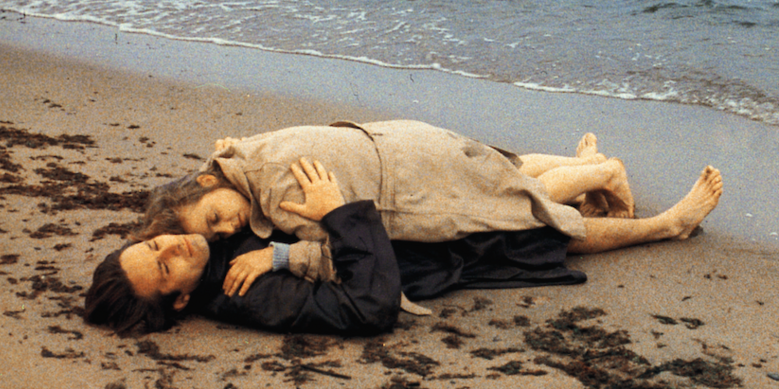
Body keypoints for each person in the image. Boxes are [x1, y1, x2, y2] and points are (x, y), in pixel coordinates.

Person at [133, 120, 721, 289]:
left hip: (414, 186)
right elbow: (233, 152)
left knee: (524, 212)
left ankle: (643, 203)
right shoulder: (247, 154)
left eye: (217, 217)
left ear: (211, 185)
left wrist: (280, 258)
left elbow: (352, 254)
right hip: (404, 139)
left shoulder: (285, 197)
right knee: (503, 172)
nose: (229, 227)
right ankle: (588, 165)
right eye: (217, 233)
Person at [85, 166, 403, 335]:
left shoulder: (197, 236)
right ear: (181, 300)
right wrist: (339, 214)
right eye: (165, 268)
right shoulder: (250, 293)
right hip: (431, 250)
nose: (172, 246)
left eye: (155, 244)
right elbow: (369, 307)